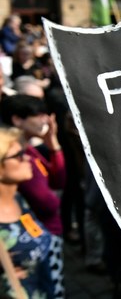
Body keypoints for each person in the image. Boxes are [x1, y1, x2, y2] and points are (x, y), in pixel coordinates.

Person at [0, 95, 65, 297]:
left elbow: (58, 180)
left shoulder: (28, 150)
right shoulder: (17, 153)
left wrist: (53, 143)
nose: (45, 119)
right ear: (17, 120)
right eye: (37, 114)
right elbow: (49, 203)